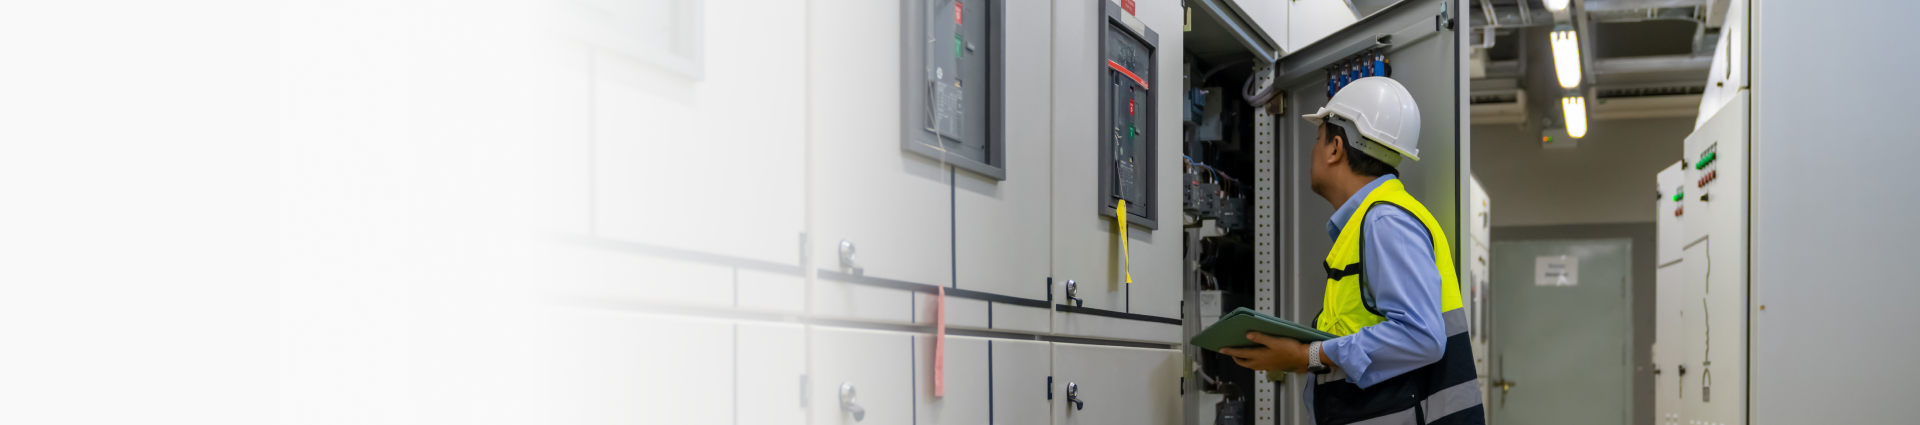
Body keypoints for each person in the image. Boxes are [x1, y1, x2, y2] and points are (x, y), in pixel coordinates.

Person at [1217, 77, 1483, 425]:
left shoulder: (1385, 220)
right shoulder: (1374, 219)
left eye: (1317, 139)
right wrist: (1307, 355)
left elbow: (1421, 336)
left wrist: (1308, 354)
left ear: (1335, 147)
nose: (1314, 150)